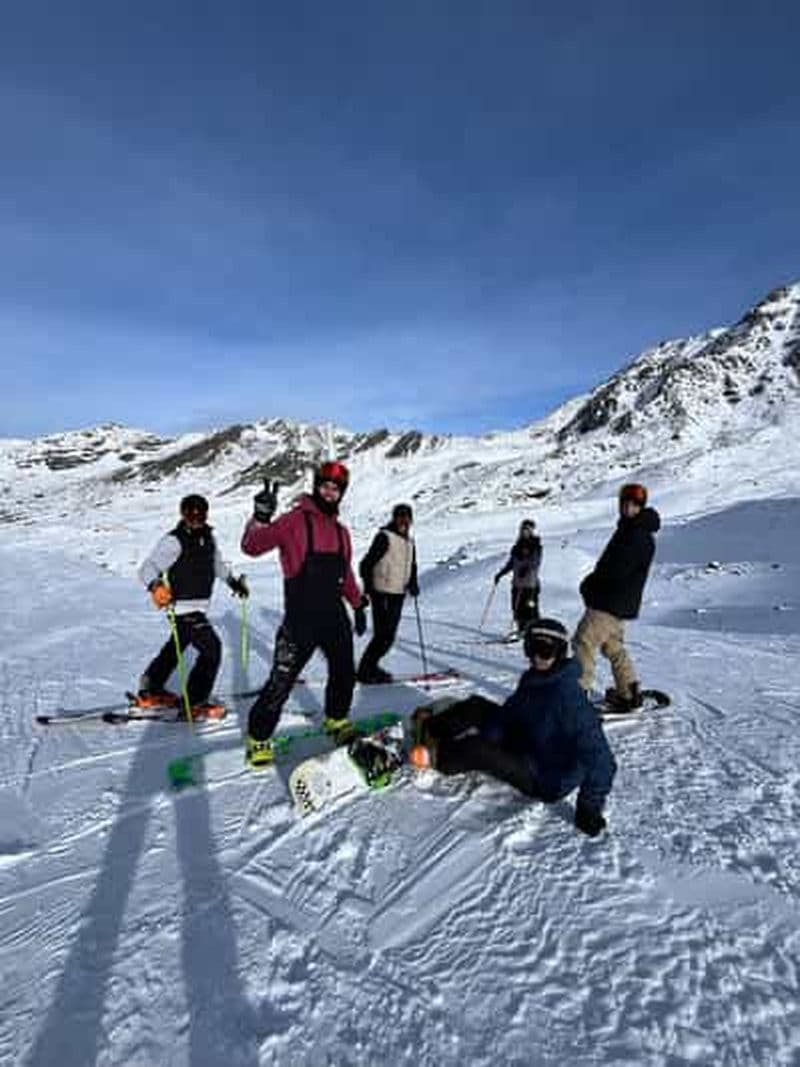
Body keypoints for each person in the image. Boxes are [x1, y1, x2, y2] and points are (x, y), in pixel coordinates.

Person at [409, 619, 616, 837]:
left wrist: (588, 809)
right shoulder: (535, 677)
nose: (537, 657)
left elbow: (603, 761)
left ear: (560, 653)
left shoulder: (568, 699)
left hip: (545, 777)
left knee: (475, 749)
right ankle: (430, 729)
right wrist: (492, 733)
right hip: (530, 741)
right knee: (477, 706)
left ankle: (435, 756)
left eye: (545, 651)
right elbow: (513, 710)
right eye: (531, 649)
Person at [240, 461, 367, 766]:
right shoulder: (293, 521)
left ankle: (336, 721)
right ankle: (259, 738)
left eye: (335, 488)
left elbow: (345, 573)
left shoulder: (341, 532)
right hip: (301, 617)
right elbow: (252, 546)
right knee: (282, 680)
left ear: (341, 494)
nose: (329, 492)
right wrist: (260, 517)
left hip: (334, 615)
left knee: (344, 672)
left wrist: (358, 604)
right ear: (315, 486)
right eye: (324, 485)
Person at [137, 493, 249, 715]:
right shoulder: (174, 540)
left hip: (198, 607)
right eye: (191, 513)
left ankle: (151, 687)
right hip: (181, 607)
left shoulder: (208, 538)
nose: (196, 517)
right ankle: (194, 702)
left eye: (201, 513)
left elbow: (216, 565)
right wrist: (156, 586)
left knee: (175, 648)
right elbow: (147, 568)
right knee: (212, 650)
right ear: (183, 513)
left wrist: (233, 583)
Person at [573, 483, 661, 711]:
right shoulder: (633, 529)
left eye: (633, 505)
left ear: (641, 507)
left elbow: (615, 570)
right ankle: (628, 692)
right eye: (624, 503)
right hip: (618, 603)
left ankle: (577, 698)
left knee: (584, 642)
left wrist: (590, 585)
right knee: (613, 647)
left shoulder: (636, 534)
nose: (627, 508)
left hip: (608, 601)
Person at [356, 503, 420, 684]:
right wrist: (369, 589)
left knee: (388, 637)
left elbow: (412, 565)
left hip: (397, 594)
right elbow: (365, 564)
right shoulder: (385, 537)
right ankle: (365, 671)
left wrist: (413, 582)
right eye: (400, 516)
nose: (404, 521)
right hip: (382, 593)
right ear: (394, 518)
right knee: (382, 636)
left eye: (407, 517)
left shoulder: (409, 542)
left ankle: (370, 667)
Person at [494, 519, 543, 631]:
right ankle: (521, 630)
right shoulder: (517, 547)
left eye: (527, 529)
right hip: (517, 584)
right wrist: (500, 574)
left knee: (530, 608)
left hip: (530, 585)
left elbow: (535, 562)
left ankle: (533, 630)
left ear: (531, 531)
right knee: (517, 609)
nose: (524, 532)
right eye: (522, 529)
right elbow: (511, 563)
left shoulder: (536, 546)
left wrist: (525, 569)